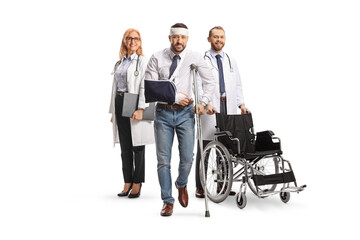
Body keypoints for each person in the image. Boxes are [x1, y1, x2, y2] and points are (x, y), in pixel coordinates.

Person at [145, 23, 215, 216]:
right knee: (163, 161)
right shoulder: (156, 58)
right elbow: (151, 89)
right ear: (170, 38)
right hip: (163, 113)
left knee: (187, 158)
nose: (179, 41)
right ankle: (167, 200)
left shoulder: (195, 57)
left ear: (187, 39)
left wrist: (204, 102)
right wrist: (172, 96)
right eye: (175, 37)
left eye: (183, 37)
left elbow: (209, 81)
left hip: (186, 113)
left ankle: (181, 184)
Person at [195, 26, 248, 198]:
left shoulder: (231, 60)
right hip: (210, 108)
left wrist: (241, 105)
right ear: (209, 39)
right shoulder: (201, 60)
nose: (219, 40)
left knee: (226, 148)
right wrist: (206, 103)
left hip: (228, 106)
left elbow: (237, 85)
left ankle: (222, 185)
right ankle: (200, 186)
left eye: (222, 37)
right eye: (215, 37)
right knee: (206, 148)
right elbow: (198, 85)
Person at [109, 28, 154, 199]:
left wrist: (141, 108)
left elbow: (145, 85)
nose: (133, 41)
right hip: (120, 102)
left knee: (138, 145)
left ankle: (137, 182)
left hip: (135, 101)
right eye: (129, 38)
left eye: (136, 38)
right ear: (125, 41)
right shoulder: (120, 63)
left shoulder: (142, 61)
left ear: (140, 42)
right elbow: (115, 88)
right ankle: (127, 180)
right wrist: (113, 111)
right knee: (125, 146)